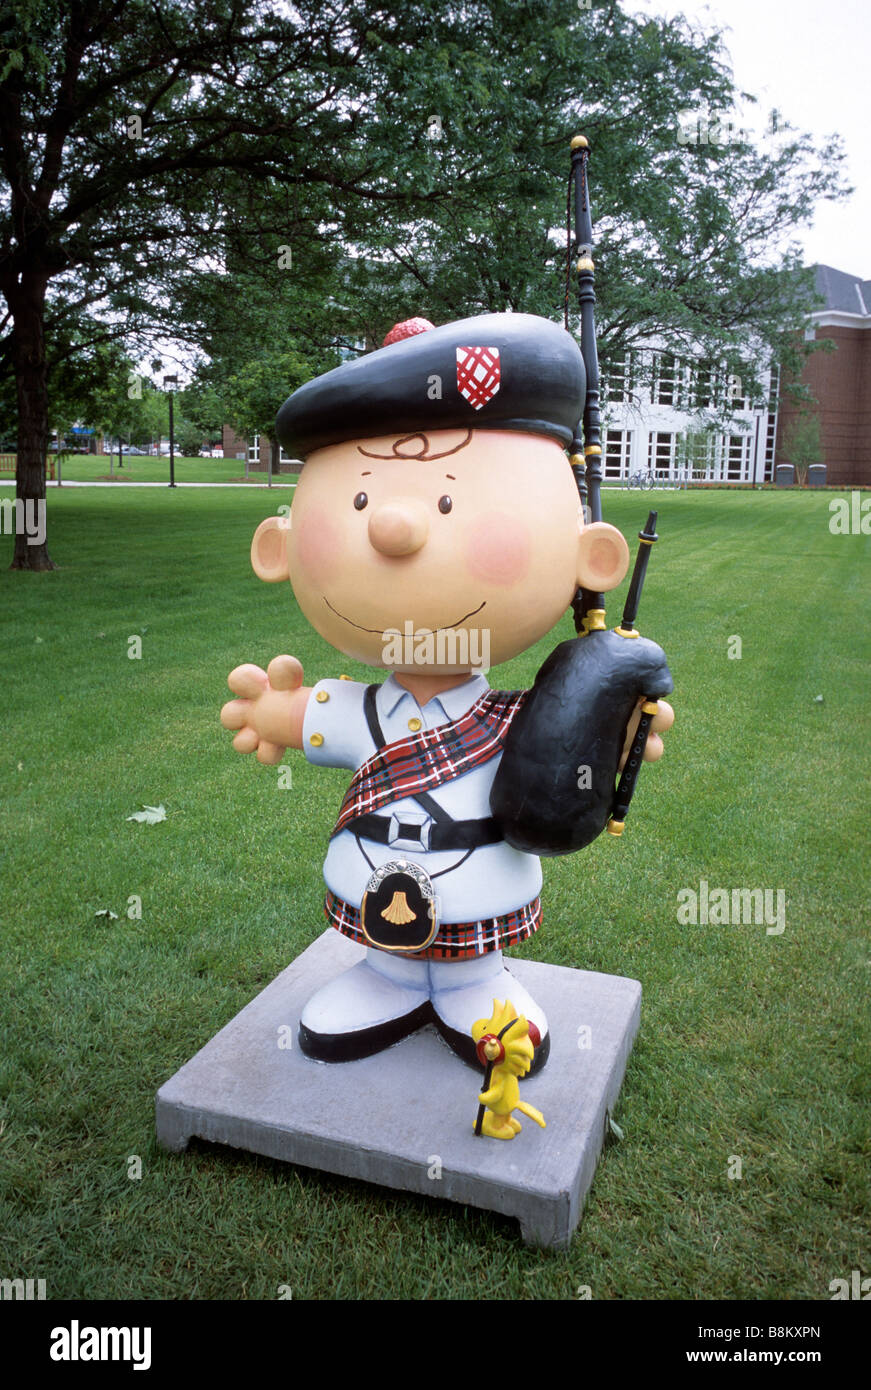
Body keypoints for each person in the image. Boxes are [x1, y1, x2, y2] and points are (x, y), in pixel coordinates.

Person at [220, 313, 674, 1071]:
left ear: (589, 557)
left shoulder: (520, 722)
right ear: (280, 548)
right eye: (358, 502)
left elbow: (567, 750)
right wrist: (277, 713)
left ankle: (470, 985)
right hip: (374, 875)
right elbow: (318, 718)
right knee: (385, 956)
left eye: (447, 502)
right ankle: (390, 978)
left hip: (478, 878)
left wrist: (612, 730)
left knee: (472, 963)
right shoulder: (368, 711)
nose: (394, 529)